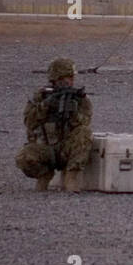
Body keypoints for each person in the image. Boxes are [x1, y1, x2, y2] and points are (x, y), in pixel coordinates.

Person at [16, 57, 93, 192]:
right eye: (66, 77)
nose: (70, 81)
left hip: (66, 148)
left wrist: (73, 112)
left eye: (71, 77)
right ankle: (44, 175)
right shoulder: (41, 96)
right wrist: (46, 106)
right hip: (45, 148)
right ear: (56, 78)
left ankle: (71, 176)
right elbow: (29, 122)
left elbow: (85, 122)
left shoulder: (79, 98)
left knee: (84, 134)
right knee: (23, 158)